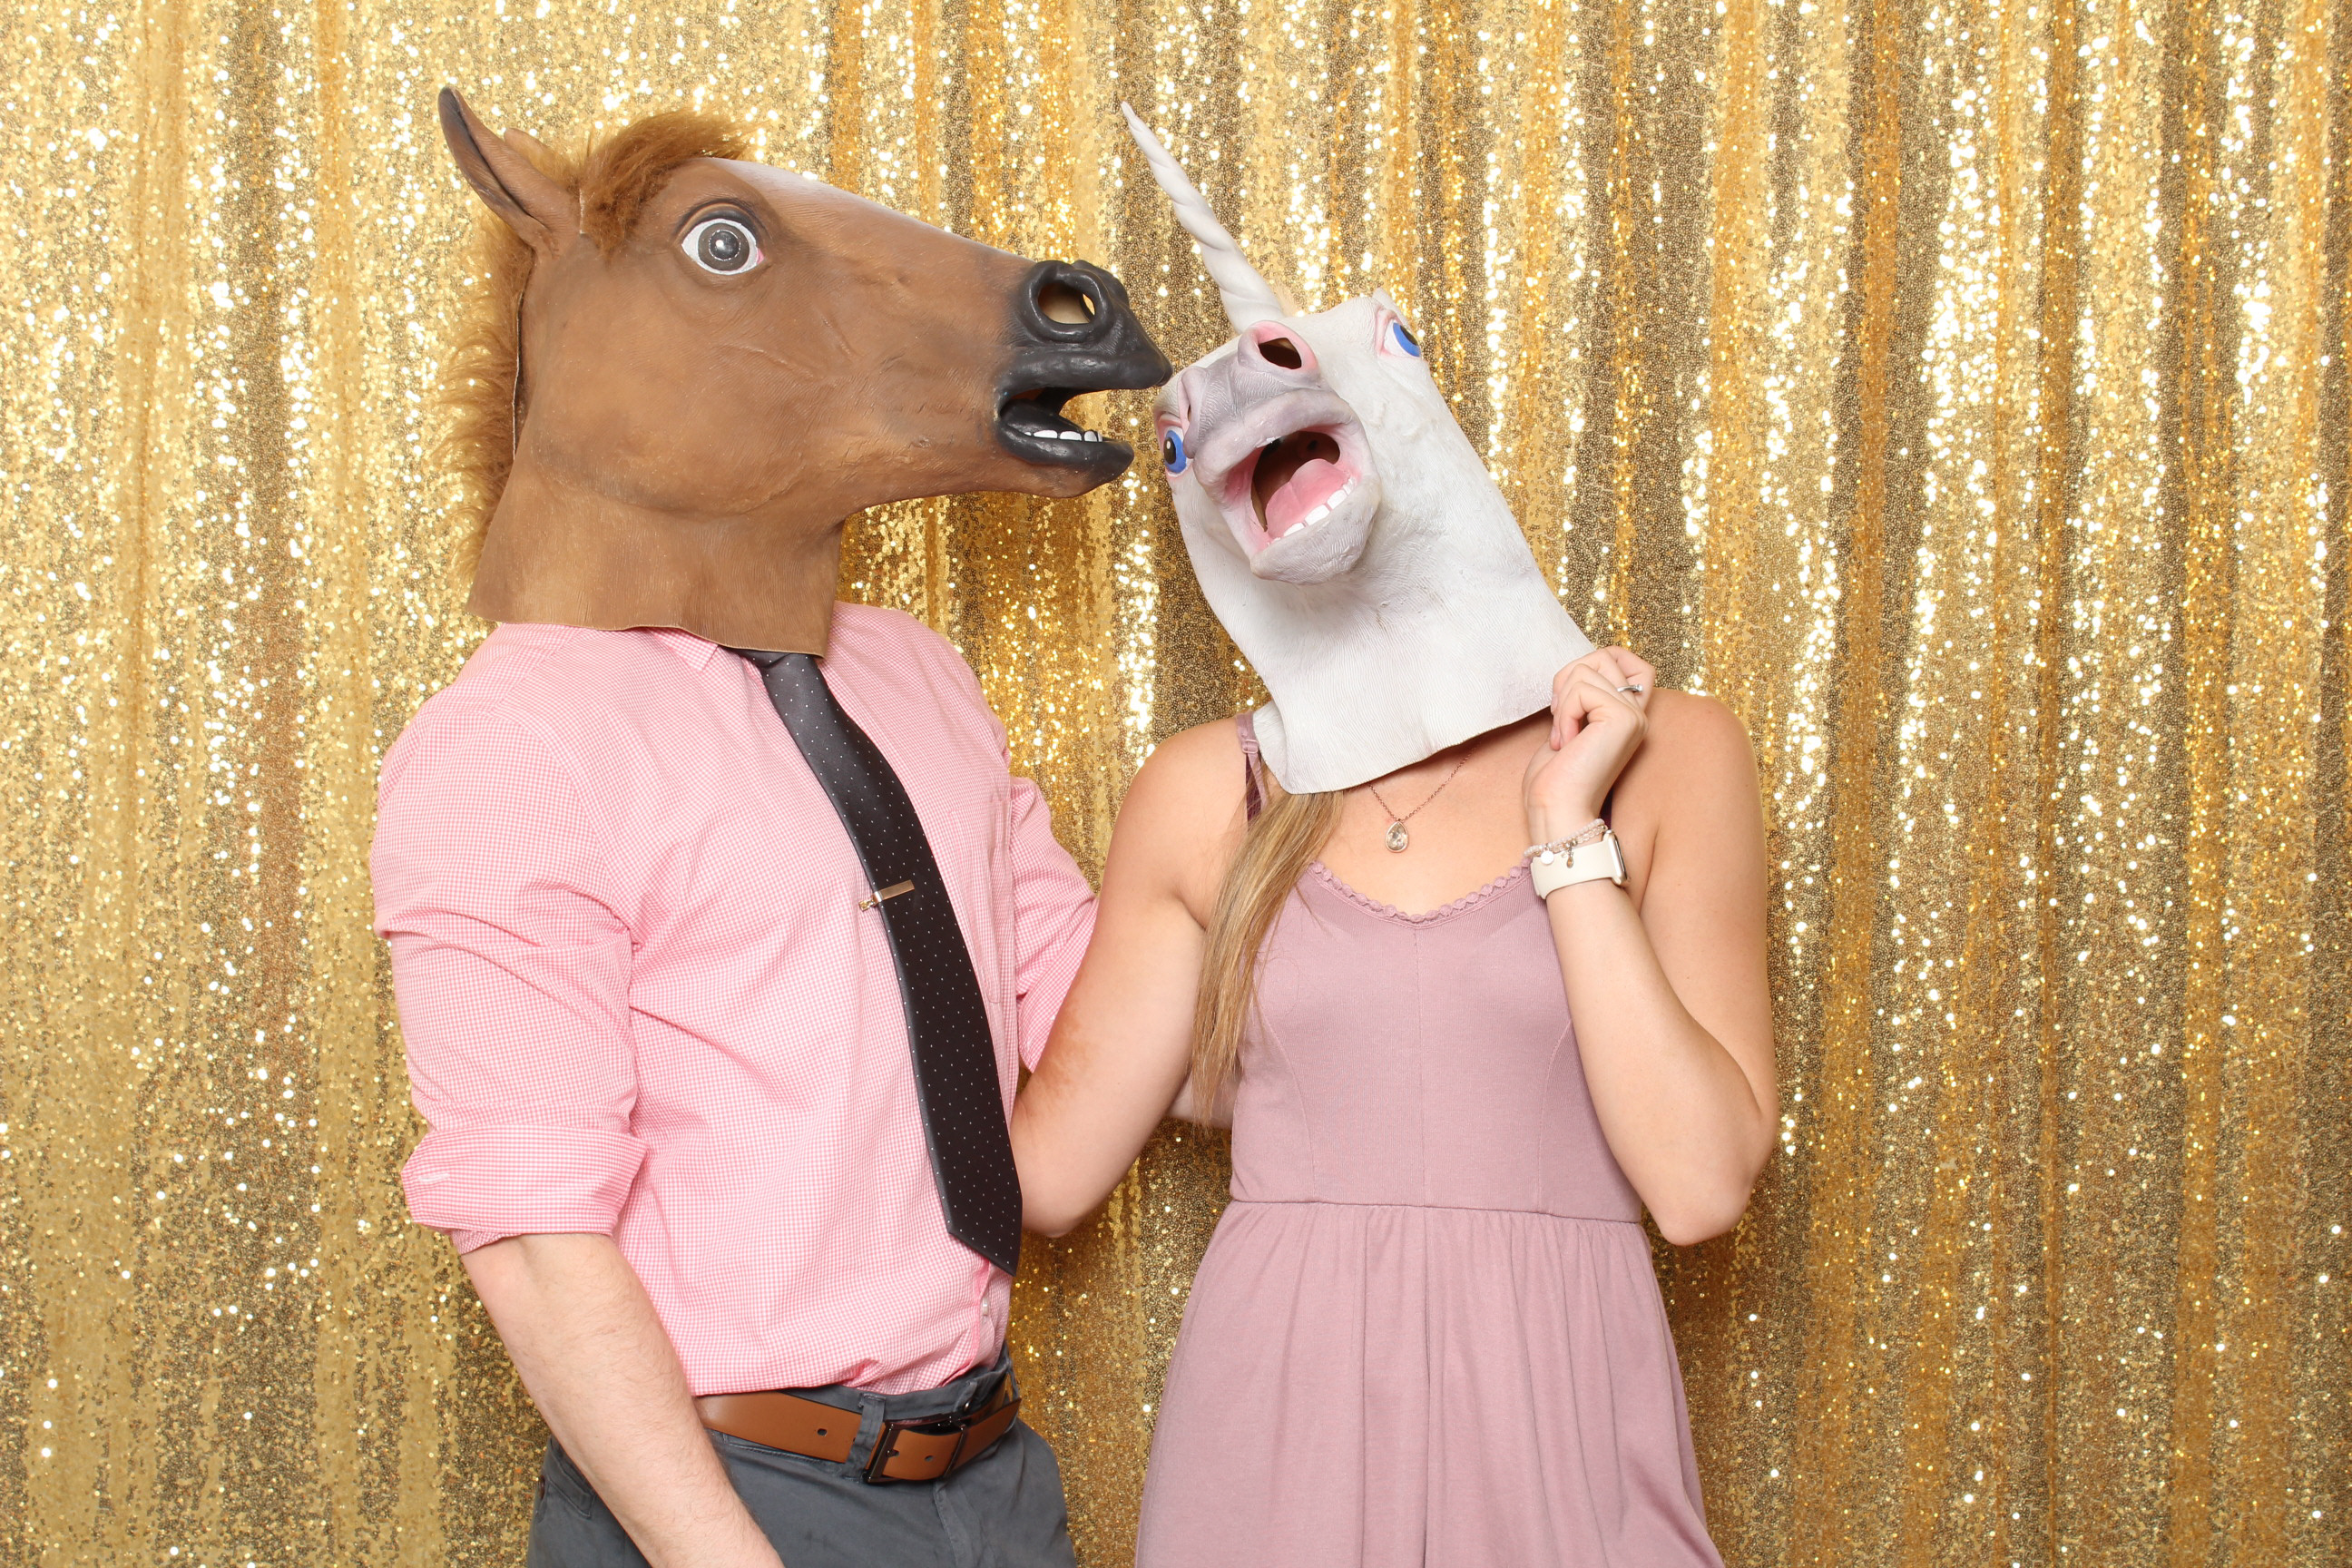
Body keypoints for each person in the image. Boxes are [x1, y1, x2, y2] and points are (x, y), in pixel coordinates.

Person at [374, 90, 1167, 1567]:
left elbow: (1090, 1008)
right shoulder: (514, 742)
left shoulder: (913, 674)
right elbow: (538, 1240)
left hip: (997, 1484)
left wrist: (1326, 784)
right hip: (731, 1493)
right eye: (724, 248)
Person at [1009, 111, 1778, 1566]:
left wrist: (1567, 831)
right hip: (1276, 1435)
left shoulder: (1669, 755)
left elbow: (1697, 1188)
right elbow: (1049, 1180)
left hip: (1557, 1427)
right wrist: (908, 877)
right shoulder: (1204, 792)